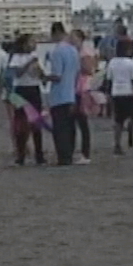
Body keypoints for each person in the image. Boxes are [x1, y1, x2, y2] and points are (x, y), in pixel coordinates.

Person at [45, 24, 87, 166]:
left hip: (59, 95)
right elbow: (76, 73)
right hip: (71, 93)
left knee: (60, 128)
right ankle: (69, 153)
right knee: (70, 127)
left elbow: (57, 75)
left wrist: (44, 77)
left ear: (56, 33)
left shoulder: (57, 51)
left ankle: (63, 157)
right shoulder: (74, 51)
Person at [4, 37, 47, 166]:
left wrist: (40, 70)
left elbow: (40, 75)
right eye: (31, 42)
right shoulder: (17, 57)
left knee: (36, 123)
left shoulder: (35, 56)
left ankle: (39, 155)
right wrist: (29, 63)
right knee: (20, 123)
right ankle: (20, 155)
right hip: (20, 90)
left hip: (34, 88)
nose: (34, 45)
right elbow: (17, 74)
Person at [107, 40, 133, 154]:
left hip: (116, 93)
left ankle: (117, 144)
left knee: (118, 121)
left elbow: (109, 80)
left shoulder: (112, 62)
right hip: (129, 92)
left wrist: (109, 96)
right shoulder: (130, 63)